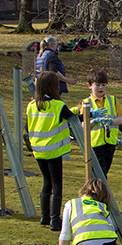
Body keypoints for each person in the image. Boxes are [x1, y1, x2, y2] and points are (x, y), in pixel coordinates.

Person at [42, 178, 122, 245]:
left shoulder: (71, 204)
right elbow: (112, 229)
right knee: (104, 236)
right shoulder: (101, 206)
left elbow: (65, 234)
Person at [27, 71, 76, 231]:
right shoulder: (58, 106)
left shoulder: (32, 105)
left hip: (38, 151)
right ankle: (55, 220)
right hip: (54, 151)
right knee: (57, 184)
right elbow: (74, 119)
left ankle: (45, 217)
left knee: (46, 182)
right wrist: (90, 115)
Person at [78, 68, 122, 179]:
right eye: (97, 85)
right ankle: (100, 193)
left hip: (110, 142)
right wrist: (95, 121)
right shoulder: (86, 103)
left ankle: (100, 192)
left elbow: (120, 119)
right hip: (95, 144)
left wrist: (111, 121)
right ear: (89, 85)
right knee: (100, 175)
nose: (101, 88)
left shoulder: (112, 100)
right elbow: (83, 125)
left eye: (103, 85)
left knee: (104, 172)